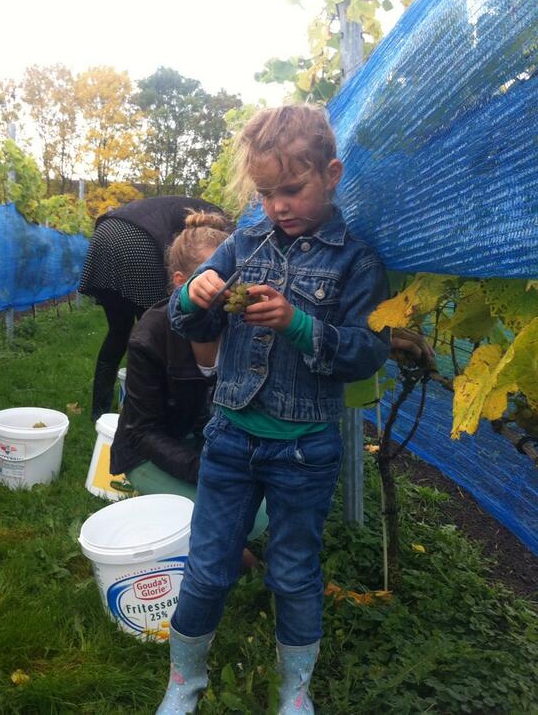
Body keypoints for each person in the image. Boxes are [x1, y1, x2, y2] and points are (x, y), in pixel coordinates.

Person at [156, 105, 391, 715]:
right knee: (208, 566)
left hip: (305, 450)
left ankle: (295, 689)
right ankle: (184, 681)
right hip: (231, 438)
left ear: (330, 174)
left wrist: (298, 323)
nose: (277, 206)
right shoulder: (243, 242)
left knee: (293, 571)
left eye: (292, 189)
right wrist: (194, 294)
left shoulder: (356, 263)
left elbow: (366, 352)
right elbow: (187, 321)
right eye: (265, 194)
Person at [109, 209, 268, 544]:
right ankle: (193, 532)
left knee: (256, 518)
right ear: (182, 282)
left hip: (214, 445)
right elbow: (141, 433)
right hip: (152, 452)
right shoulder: (150, 336)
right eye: (215, 279)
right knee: (225, 518)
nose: (228, 290)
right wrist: (205, 470)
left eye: (234, 278)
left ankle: (210, 530)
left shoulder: (242, 324)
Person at [79, 195, 225, 421]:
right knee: (157, 334)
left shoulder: (192, 208)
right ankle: (146, 411)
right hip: (136, 242)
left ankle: (100, 410)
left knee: (118, 332)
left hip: (103, 236)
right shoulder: (221, 224)